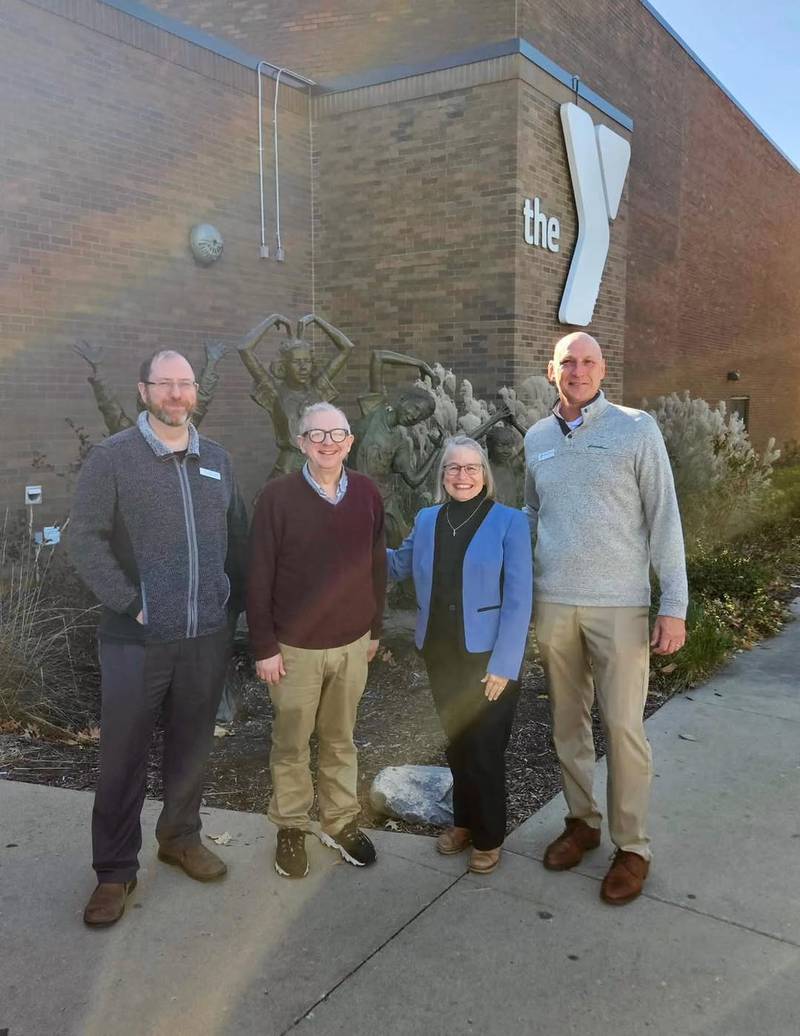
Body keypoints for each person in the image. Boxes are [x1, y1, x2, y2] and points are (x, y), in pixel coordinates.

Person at [69, 350, 248, 927]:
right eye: (164, 384)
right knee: (122, 758)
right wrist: (130, 602)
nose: (176, 394)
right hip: (134, 641)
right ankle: (115, 872)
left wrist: (230, 605)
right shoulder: (113, 458)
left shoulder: (217, 459)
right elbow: (85, 541)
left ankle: (180, 837)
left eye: (185, 384)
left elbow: (237, 542)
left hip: (205, 637)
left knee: (192, 748)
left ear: (196, 393)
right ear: (143, 390)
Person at [524, 331, 688, 905]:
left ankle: (632, 846)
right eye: (568, 361)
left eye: (588, 361)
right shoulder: (537, 437)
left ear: (603, 370)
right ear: (552, 371)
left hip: (620, 604)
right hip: (554, 602)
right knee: (567, 722)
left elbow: (665, 518)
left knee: (622, 728)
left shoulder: (636, 428)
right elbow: (533, 512)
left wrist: (674, 604)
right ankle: (581, 823)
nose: (578, 370)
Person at [247, 402, 387, 878]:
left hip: (352, 644)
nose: (328, 442)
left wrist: (375, 629)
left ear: (350, 442)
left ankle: (340, 821)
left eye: (338, 434)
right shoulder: (276, 497)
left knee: (340, 739)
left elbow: (377, 564)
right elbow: (259, 572)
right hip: (293, 651)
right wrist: (264, 645)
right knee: (291, 743)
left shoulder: (367, 493)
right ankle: (290, 825)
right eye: (317, 434)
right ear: (301, 441)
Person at [387, 436, 532, 874]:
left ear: (484, 474)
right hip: (441, 652)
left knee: (485, 747)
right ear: (442, 475)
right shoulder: (429, 519)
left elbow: (519, 599)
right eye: (453, 468)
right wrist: (356, 536)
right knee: (457, 742)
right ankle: (466, 822)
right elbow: (397, 566)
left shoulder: (509, 522)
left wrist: (505, 665)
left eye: (471, 468)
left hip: (488, 659)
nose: (462, 476)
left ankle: (489, 836)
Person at [236, 313, 355, 478]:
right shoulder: (275, 394)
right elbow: (244, 349)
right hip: (287, 470)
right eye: (296, 362)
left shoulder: (317, 391)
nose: (303, 367)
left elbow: (346, 348)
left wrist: (318, 320)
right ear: (283, 366)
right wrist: (272, 320)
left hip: (319, 467)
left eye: (307, 361)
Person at [73, 338, 227, 433]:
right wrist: (98, 369)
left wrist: (212, 363)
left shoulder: (181, 429)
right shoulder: (131, 436)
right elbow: (110, 408)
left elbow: (201, 399)